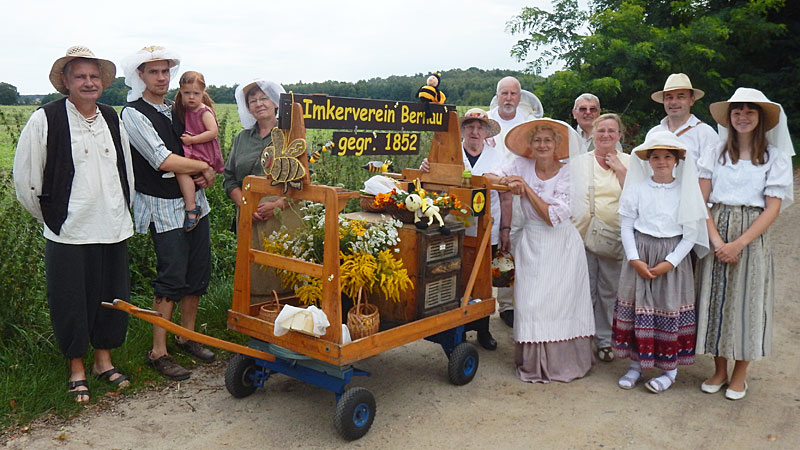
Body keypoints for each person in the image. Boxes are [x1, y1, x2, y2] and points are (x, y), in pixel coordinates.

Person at [13, 46, 135, 402]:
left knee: (111, 296)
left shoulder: (112, 117)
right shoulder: (46, 118)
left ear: (103, 82)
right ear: (65, 81)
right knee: (71, 299)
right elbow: (27, 180)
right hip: (69, 229)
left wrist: (122, 210)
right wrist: (54, 219)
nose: (88, 82)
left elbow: (124, 169)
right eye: (80, 76)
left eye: (94, 76)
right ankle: (77, 367)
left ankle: (103, 360)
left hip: (112, 224)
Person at [121, 45, 217, 381]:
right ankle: (158, 351)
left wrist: (209, 170)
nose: (161, 78)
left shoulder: (174, 110)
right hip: (162, 206)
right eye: (153, 72)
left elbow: (197, 143)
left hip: (196, 204)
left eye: (165, 71)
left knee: (196, 273)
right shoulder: (133, 114)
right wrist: (205, 165)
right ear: (140, 76)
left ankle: (186, 336)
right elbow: (161, 159)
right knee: (172, 275)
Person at [694, 88, 794, 400]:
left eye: (750, 112)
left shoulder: (774, 158)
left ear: (761, 118)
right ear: (730, 117)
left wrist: (738, 243)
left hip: (751, 233)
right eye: (737, 112)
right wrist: (716, 240)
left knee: (748, 302)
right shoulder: (716, 152)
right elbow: (701, 199)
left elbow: (773, 207)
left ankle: (740, 373)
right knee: (716, 300)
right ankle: (719, 368)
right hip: (716, 228)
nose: (743, 117)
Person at [485, 118, 595, 383]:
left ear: (557, 144)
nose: (543, 145)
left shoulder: (569, 172)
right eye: (537, 140)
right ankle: (534, 363)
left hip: (562, 245)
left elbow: (553, 215)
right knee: (531, 302)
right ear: (530, 145)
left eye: (548, 140)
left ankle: (563, 363)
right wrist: (505, 180)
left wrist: (525, 187)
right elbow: (487, 176)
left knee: (560, 303)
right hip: (532, 242)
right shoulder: (522, 164)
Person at [612, 131, 709, 393]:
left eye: (668, 156)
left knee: (668, 307)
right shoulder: (637, 188)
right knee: (638, 308)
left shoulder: (686, 192)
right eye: (655, 157)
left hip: (671, 256)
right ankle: (635, 365)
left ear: (677, 160)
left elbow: (690, 233)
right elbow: (627, 225)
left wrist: (671, 261)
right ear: (648, 160)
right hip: (641, 252)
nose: (662, 161)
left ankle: (669, 370)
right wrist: (634, 257)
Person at [419, 108, 502, 350]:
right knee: (455, 274)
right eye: (470, 127)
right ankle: (459, 330)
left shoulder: (497, 156)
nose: (475, 132)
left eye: (480, 127)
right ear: (463, 130)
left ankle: (483, 329)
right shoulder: (448, 153)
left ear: (486, 132)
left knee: (482, 279)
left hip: (488, 225)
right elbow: (430, 183)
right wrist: (427, 167)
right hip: (454, 225)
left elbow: (505, 195)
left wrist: (506, 227)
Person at [224, 79, 304, 299]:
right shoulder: (242, 139)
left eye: (263, 98)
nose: (259, 104)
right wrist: (245, 204)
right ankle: (255, 319)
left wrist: (277, 204)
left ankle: (290, 315)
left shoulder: (290, 135)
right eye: (253, 100)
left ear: (275, 102)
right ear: (248, 107)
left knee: (283, 269)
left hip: (283, 213)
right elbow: (229, 178)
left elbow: (304, 181)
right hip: (249, 215)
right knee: (254, 271)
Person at [571, 113, 630, 363]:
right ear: (592, 134)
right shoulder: (579, 162)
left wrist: (620, 171)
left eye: (611, 131)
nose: (606, 135)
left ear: (619, 135)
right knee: (583, 290)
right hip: (581, 235)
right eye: (601, 130)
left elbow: (638, 198)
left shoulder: (630, 161)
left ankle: (605, 339)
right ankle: (582, 338)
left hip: (615, 237)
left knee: (609, 290)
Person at [486, 76, 542, 327]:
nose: (508, 98)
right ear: (497, 96)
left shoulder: (530, 124)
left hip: (521, 196)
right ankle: (502, 306)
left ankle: (518, 304)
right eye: (504, 93)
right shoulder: (486, 121)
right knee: (495, 250)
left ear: (520, 97)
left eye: (513, 94)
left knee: (520, 249)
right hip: (491, 196)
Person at [173, 71, 224, 232]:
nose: (191, 97)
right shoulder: (184, 110)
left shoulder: (204, 111)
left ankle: (191, 208)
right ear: (180, 92)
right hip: (196, 150)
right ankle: (192, 205)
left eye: (196, 93)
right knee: (183, 172)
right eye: (187, 93)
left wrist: (192, 140)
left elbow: (213, 132)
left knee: (182, 171)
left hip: (204, 151)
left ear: (203, 93)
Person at [646, 73, 718, 165]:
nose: (674, 102)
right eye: (669, 97)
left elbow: (713, 174)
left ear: (691, 100)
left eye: (680, 97)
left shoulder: (705, 134)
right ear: (663, 101)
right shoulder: (653, 133)